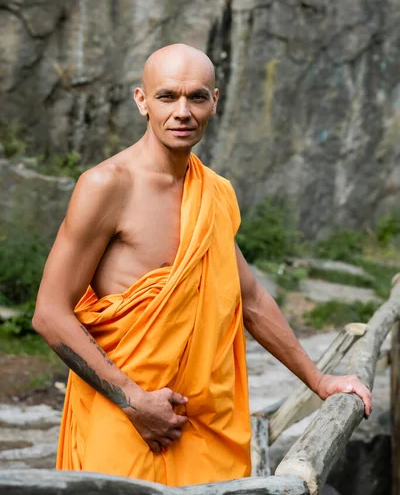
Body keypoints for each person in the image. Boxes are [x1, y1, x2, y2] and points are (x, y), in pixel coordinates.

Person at [33, 43, 372, 486]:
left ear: (215, 101)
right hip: (124, 422)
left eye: (196, 97)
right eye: (167, 96)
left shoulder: (213, 192)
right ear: (142, 101)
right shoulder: (107, 185)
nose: (182, 111)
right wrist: (135, 402)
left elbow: (249, 298)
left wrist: (320, 381)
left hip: (204, 425)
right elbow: (50, 313)